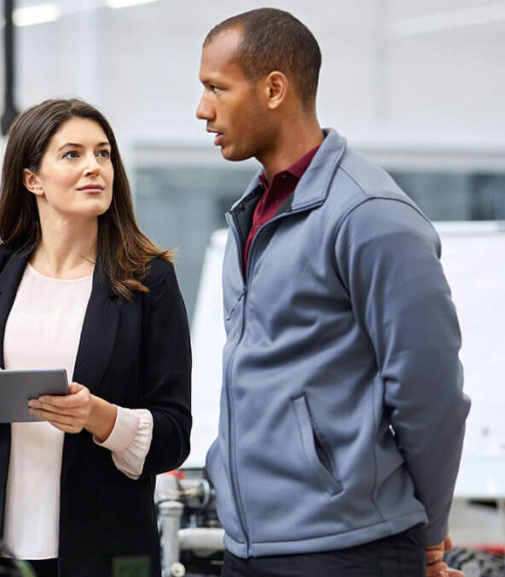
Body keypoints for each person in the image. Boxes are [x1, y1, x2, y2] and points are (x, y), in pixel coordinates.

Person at [194, 8, 469, 577]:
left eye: (216, 88)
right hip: (250, 546)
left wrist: (432, 530)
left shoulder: (370, 215)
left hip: (345, 549)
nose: (203, 109)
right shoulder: (255, 209)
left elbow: (430, 392)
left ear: (274, 89)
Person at [0, 98, 192, 577]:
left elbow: (174, 434)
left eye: (103, 153)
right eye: (72, 154)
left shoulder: (149, 281)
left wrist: (99, 417)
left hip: (104, 553)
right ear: (33, 180)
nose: (95, 167)